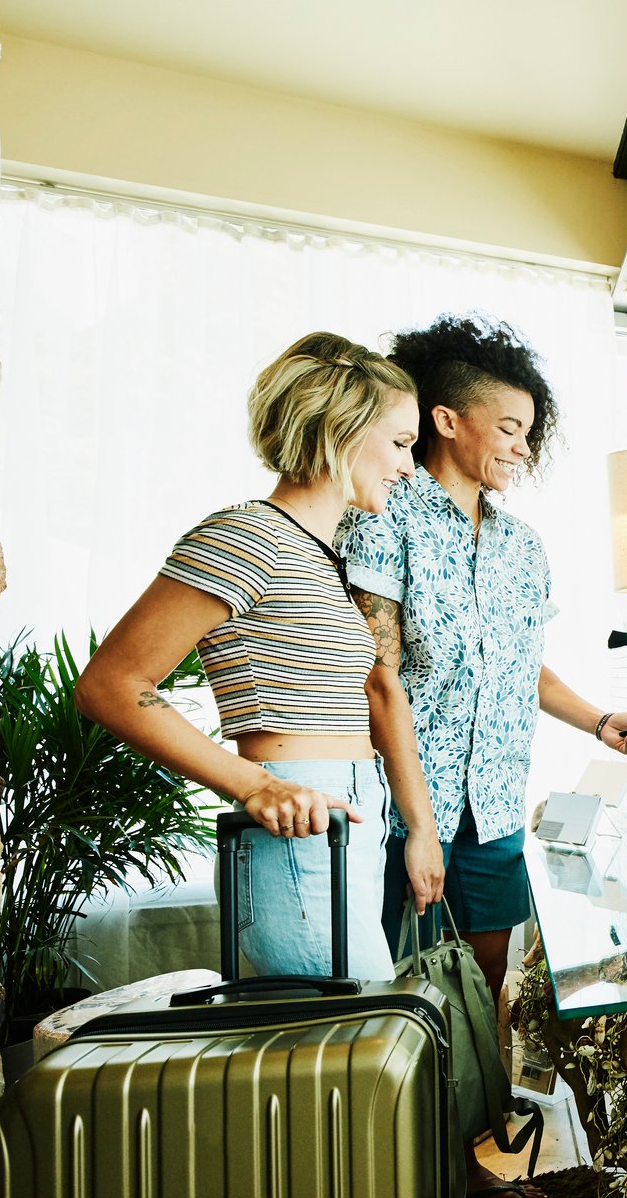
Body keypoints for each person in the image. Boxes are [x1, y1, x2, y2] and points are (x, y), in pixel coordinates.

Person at [338, 314, 627, 1198]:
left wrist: (598, 719)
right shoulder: (386, 513)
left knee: (484, 974)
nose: (523, 448)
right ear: (448, 421)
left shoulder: (523, 547)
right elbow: (380, 676)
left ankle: (465, 1129)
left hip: (492, 802)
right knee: (396, 985)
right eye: (510, 429)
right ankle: (398, 1157)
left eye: (530, 433)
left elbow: (522, 668)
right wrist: (416, 824)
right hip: (406, 804)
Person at [76, 332, 421, 980]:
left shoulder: (318, 550)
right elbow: (112, 685)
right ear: (340, 428)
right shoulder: (247, 535)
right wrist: (257, 785)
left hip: (341, 823)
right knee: (348, 1058)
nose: (409, 466)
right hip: (302, 827)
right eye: (400, 443)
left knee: (346, 1062)